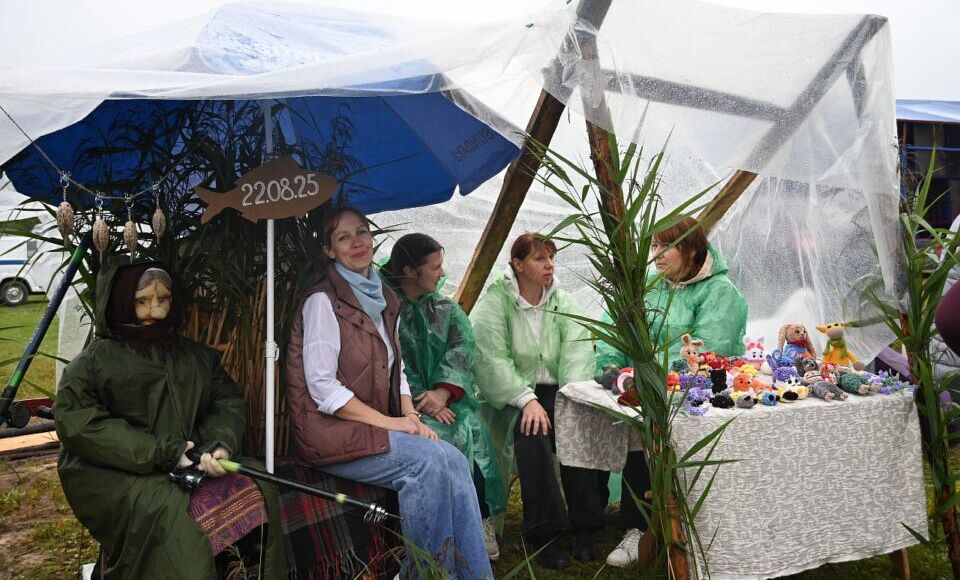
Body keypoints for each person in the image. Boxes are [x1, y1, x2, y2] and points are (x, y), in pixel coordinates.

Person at [284, 206, 493, 579]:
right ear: (329, 250)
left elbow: (397, 373)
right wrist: (393, 423)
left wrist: (411, 416)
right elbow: (323, 389)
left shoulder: (382, 299)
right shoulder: (322, 302)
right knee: (427, 464)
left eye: (361, 232)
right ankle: (426, 574)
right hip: (328, 434)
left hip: (371, 429)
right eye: (343, 237)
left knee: (455, 462)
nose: (357, 242)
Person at [55, 257, 287, 579]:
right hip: (113, 470)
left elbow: (226, 401)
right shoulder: (93, 364)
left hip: (185, 460)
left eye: (163, 299)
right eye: (142, 301)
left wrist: (218, 446)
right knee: (173, 516)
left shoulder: (195, 357)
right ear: (120, 301)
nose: (156, 311)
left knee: (260, 484)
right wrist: (162, 452)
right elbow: (81, 424)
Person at [597, 215, 748, 567]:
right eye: (653, 245)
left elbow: (708, 351)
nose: (657, 254)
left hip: (696, 400)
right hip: (643, 390)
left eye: (666, 246)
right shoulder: (650, 286)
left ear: (691, 249)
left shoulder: (719, 292)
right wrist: (612, 367)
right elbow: (614, 328)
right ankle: (626, 526)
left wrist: (654, 381)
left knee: (654, 430)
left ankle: (673, 530)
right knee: (617, 420)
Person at [471, 233, 606, 570]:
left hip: (560, 389)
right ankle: (545, 534)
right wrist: (525, 398)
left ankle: (585, 526)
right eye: (539, 259)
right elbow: (490, 359)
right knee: (533, 435)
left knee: (577, 426)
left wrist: (571, 396)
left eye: (551, 258)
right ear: (517, 264)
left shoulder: (563, 300)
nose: (549, 265)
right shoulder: (496, 302)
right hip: (511, 397)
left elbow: (577, 350)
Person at [381, 233, 508, 561]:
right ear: (410, 271)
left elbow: (462, 346)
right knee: (441, 438)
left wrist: (442, 391)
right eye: (435, 267)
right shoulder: (381, 305)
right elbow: (389, 361)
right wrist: (420, 400)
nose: (442, 273)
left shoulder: (444, 307)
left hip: (448, 401)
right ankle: (435, 531)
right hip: (399, 407)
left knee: (472, 436)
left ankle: (479, 520)